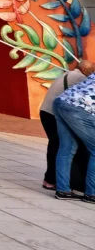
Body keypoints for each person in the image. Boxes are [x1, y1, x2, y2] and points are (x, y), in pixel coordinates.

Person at [42, 61, 94, 191]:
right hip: (70, 111)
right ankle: (90, 191)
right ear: (83, 69)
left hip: (53, 108)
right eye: (90, 69)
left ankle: (60, 187)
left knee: (62, 147)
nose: (91, 71)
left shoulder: (68, 74)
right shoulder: (81, 77)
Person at [53, 66, 95, 202]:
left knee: (66, 149)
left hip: (62, 101)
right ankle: (92, 193)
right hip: (78, 108)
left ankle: (63, 190)